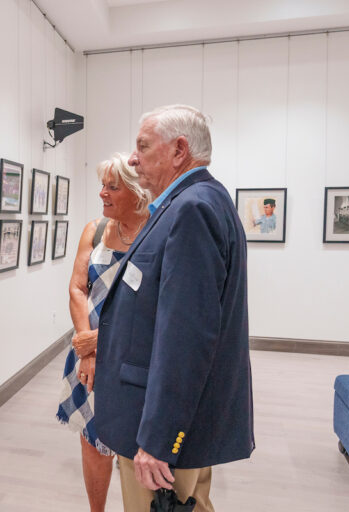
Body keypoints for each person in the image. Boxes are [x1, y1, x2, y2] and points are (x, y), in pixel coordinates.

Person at [94, 105, 254, 512]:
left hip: (160, 428)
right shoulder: (188, 203)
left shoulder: (192, 209)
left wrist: (159, 438)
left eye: (143, 147)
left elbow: (186, 336)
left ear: (179, 150)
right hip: (169, 415)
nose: (133, 158)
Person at [56, 153, 151, 512]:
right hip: (89, 357)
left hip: (134, 359)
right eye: (102, 185)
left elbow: (160, 309)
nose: (102, 193)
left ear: (138, 191)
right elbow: (77, 289)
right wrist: (89, 349)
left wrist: (104, 340)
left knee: (134, 446)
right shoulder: (94, 230)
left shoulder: (157, 231)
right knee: (92, 442)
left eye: (113, 187)